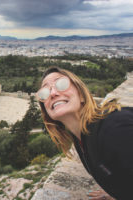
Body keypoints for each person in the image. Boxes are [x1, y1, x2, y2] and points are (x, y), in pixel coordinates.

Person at [37, 67, 133, 200]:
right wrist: (115, 189)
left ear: (81, 94)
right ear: (46, 109)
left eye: (61, 84)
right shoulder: (81, 138)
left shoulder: (114, 127)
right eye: (44, 92)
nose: (53, 93)